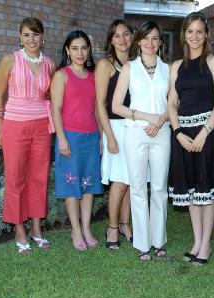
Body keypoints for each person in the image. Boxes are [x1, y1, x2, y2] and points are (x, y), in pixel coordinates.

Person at [168, 12, 214, 265]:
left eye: (199, 31)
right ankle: (196, 241)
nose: (194, 36)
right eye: (190, 31)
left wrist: (205, 131)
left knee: (207, 189)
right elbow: (172, 103)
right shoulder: (176, 66)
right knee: (192, 189)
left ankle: (206, 245)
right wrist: (178, 132)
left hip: (206, 131)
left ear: (206, 34)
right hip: (183, 134)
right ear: (184, 34)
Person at [0, 17, 56, 254]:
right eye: (27, 35)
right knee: (16, 179)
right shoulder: (10, 60)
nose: (32, 39)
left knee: (39, 177)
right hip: (14, 126)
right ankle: (19, 229)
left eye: (36, 34)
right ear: (20, 37)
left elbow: (51, 97)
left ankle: (36, 228)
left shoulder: (49, 64)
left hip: (41, 126)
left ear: (43, 36)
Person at [112, 21, 170, 261]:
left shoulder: (169, 69)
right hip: (135, 132)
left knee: (159, 187)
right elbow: (117, 106)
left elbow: (174, 104)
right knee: (137, 187)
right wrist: (147, 117)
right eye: (146, 38)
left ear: (160, 42)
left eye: (155, 38)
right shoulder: (129, 68)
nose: (150, 43)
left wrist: (160, 120)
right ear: (138, 41)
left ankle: (158, 241)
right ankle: (142, 244)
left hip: (163, 132)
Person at [51, 30, 103, 251]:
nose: (80, 53)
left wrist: (101, 136)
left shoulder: (94, 77)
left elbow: (98, 109)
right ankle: (75, 229)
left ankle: (87, 228)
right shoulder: (62, 75)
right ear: (67, 50)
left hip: (91, 138)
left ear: (88, 50)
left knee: (89, 186)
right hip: (69, 138)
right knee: (72, 186)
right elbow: (56, 108)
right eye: (75, 48)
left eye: (84, 48)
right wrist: (61, 138)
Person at [95, 19, 134, 250]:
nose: (122, 39)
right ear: (111, 39)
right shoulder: (106, 65)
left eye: (126, 34)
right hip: (116, 127)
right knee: (119, 182)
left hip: (134, 127)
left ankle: (125, 224)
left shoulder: (137, 63)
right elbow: (100, 104)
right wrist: (108, 136)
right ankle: (111, 228)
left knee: (131, 180)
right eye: (117, 35)